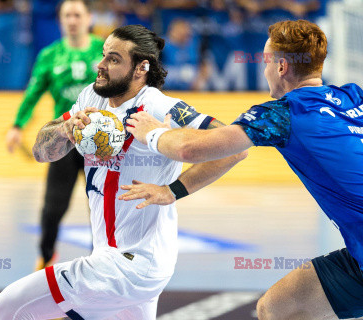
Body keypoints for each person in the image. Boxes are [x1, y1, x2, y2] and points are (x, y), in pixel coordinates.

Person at [0, 24, 247, 320]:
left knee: (7, 307)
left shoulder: (161, 107)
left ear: (141, 68)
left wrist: (173, 190)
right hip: (112, 257)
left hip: (132, 265)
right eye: (103, 56)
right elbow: (41, 153)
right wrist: (64, 130)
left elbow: (236, 146)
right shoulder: (91, 98)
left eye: (113, 59)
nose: (100, 65)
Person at [123, 20, 363, 320]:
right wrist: (171, 191)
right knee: (277, 308)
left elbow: (192, 149)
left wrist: (151, 132)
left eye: (266, 61)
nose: (264, 70)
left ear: (281, 68)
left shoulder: (282, 114)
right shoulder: (354, 96)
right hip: (358, 256)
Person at [5, 0, 104, 270]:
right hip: (66, 141)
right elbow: (33, 93)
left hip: (99, 143)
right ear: (61, 20)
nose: (72, 20)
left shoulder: (104, 51)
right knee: (52, 209)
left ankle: (100, 261)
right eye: (67, 15)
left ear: (89, 18)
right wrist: (17, 125)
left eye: (77, 14)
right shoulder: (50, 55)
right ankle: (46, 256)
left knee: (100, 207)